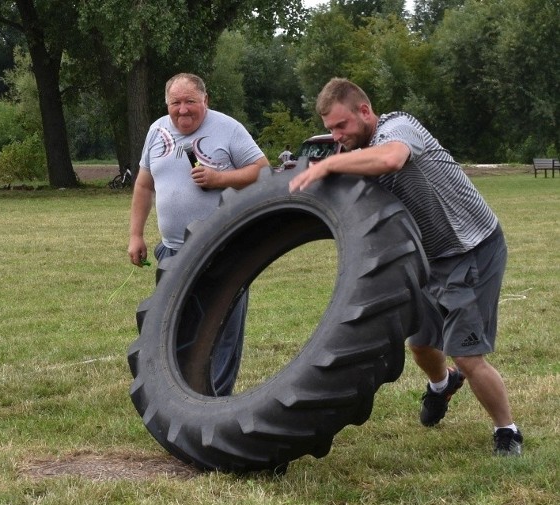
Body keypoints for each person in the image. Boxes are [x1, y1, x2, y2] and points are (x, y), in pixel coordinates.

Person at [289, 78, 522, 456]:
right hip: (431, 259)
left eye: (341, 126)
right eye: (330, 128)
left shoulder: (398, 128)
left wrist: (330, 164)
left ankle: (507, 431)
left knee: (466, 353)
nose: (336, 136)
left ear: (364, 112)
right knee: (422, 344)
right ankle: (443, 384)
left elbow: (391, 159)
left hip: (471, 249)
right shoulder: (358, 149)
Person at [127, 72, 270, 396]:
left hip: (224, 250)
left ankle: (216, 404)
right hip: (172, 253)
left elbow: (263, 170)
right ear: (167, 104)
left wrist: (221, 179)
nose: (183, 110)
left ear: (205, 100)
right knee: (174, 329)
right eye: (175, 103)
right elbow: (144, 184)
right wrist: (136, 235)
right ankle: (180, 399)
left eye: (190, 101)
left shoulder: (228, 128)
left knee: (221, 330)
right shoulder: (156, 130)